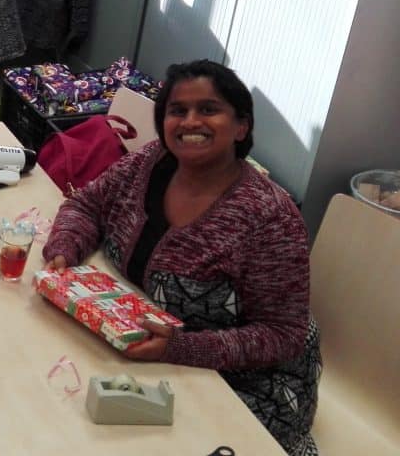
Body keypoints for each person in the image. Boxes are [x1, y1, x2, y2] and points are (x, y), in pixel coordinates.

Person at [42, 60, 319, 455]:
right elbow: (87, 204)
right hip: (136, 347)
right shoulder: (151, 162)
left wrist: (179, 348)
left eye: (208, 109)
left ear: (241, 127)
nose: (190, 121)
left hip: (243, 384)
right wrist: (65, 248)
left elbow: (283, 336)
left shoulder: (269, 217)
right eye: (177, 110)